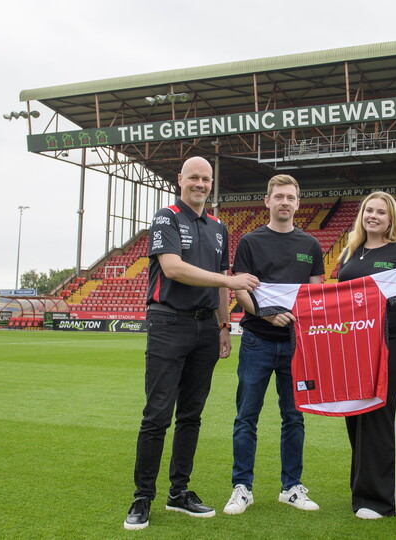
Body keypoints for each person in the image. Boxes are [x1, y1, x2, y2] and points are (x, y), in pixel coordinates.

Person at [124, 156, 260, 530]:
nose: (200, 184)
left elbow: (218, 280)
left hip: (205, 330)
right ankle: (142, 497)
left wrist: (223, 324)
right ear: (180, 179)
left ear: (211, 183)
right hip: (168, 322)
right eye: (194, 178)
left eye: (206, 179)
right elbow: (172, 268)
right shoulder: (166, 216)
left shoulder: (218, 226)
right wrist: (230, 282)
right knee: (157, 414)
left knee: (191, 415)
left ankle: (178, 492)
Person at [223, 174, 325, 516]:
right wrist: (267, 315)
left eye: (290, 197)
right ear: (267, 201)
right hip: (256, 339)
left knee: (293, 418)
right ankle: (242, 488)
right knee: (246, 417)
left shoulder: (310, 245)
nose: (284, 202)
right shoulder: (251, 241)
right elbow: (239, 289)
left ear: (298, 203)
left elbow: (316, 294)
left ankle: (291, 487)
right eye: (278, 196)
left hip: (296, 345)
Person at [336, 191, 396, 520]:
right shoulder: (350, 253)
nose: (373, 216)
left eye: (381, 212)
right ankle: (363, 492)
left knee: (380, 413)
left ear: (391, 219)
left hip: (392, 339)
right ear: (362, 215)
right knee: (355, 414)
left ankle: (383, 501)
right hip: (353, 342)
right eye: (369, 210)